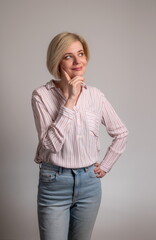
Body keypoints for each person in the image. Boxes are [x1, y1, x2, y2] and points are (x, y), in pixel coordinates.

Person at [31, 32, 129, 240]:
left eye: (81, 54)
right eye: (68, 56)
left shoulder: (95, 95)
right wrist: (71, 100)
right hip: (54, 183)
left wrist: (105, 166)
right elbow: (49, 145)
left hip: (89, 185)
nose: (78, 61)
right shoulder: (41, 95)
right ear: (57, 60)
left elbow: (121, 133)